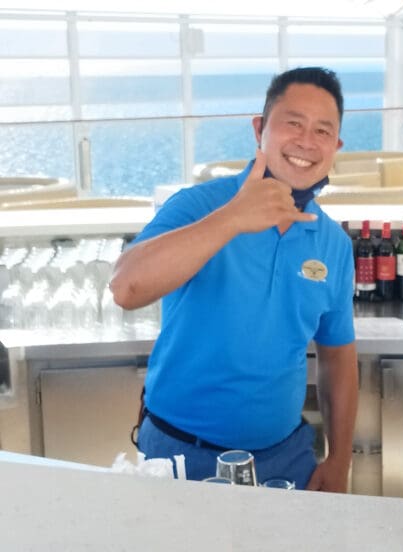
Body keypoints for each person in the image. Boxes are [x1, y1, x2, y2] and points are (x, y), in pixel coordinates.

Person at [110, 67, 358, 491]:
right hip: (180, 455)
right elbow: (125, 288)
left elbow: (337, 358)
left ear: (335, 146)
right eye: (293, 123)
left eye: (322, 130)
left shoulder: (333, 242)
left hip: (286, 460)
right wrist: (232, 219)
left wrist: (339, 459)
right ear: (260, 129)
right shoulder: (199, 205)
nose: (305, 141)